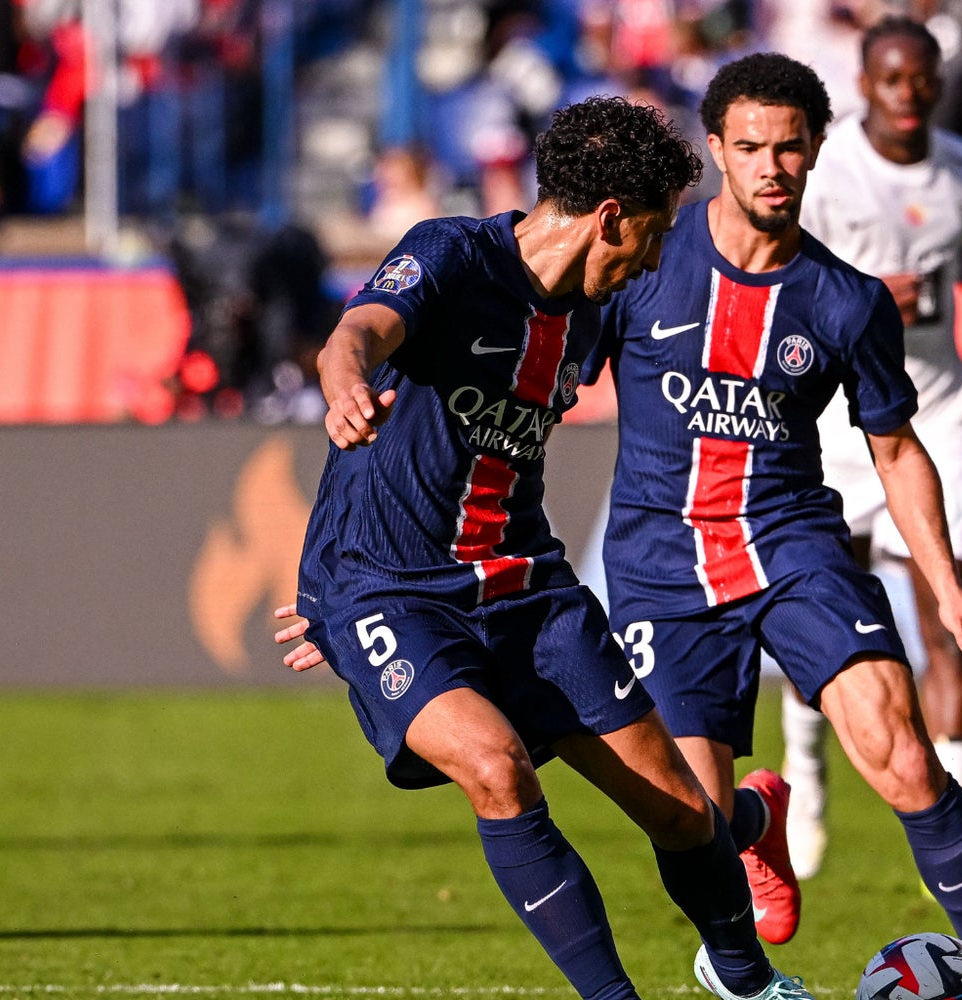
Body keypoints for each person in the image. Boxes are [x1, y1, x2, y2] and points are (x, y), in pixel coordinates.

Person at [269, 96, 807, 1000]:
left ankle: (751, 975)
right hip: (388, 590)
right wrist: (346, 387)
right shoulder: (453, 253)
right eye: (654, 232)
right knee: (497, 767)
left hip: (526, 588)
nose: (656, 255)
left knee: (680, 815)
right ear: (610, 219)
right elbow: (355, 334)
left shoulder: (597, 317)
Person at [587, 52, 962, 1000]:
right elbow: (546, 375)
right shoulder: (646, 265)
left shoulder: (846, 300)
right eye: (749, 147)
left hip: (794, 548)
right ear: (714, 151)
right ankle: (753, 839)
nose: (771, 168)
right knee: (687, 824)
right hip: (664, 567)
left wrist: (948, 589)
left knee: (903, 754)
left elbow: (897, 451)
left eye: (790, 149)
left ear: (817, 150)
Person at [787, 14, 962, 881]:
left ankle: (955, 824)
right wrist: (867, 291)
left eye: (922, 79)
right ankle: (806, 781)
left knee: (949, 610)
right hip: (835, 413)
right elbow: (781, 265)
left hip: (938, 407)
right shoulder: (828, 167)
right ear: (866, 81)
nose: (909, 95)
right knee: (819, 613)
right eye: (892, 79)